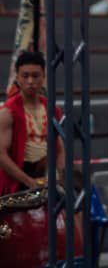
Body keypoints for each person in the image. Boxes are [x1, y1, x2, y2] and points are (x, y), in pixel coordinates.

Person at [0, 51, 64, 193]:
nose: (30, 81)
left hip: (43, 174)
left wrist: (61, 177)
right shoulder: (7, 112)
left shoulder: (53, 110)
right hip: (17, 179)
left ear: (43, 77)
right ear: (17, 78)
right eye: (25, 76)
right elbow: (1, 155)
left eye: (35, 76)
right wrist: (28, 181)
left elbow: (59, 148)